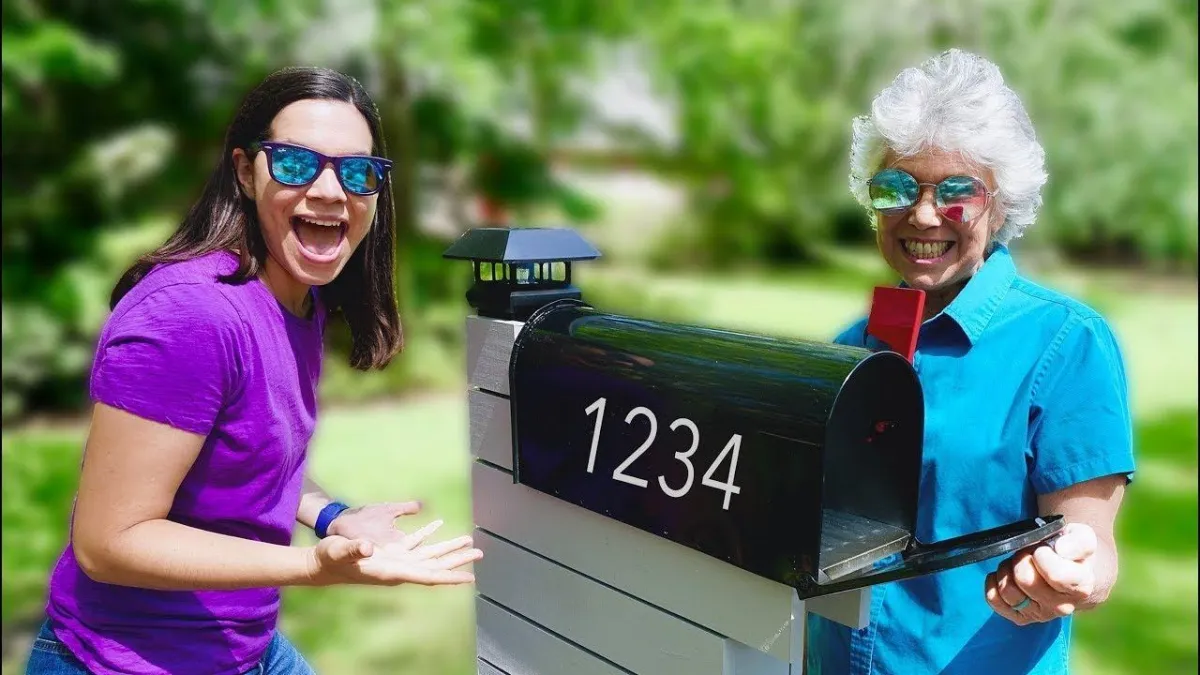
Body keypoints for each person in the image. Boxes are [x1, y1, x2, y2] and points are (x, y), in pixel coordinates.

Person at [25, 66, 483, 675]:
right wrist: (318, 566)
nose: (329, 190)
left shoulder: (297, 297)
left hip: (239, 646)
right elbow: (109, 543)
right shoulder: (192, 314)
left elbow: (253, 460)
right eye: (296, 163)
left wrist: (334, 518)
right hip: (127, 660)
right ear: (245, 171)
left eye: (358, 172)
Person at [806, 49, 1135, 674]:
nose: (924, 214)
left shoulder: (1065, 342)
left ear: (1001, 205)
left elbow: (1091, 555)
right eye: (897, 187)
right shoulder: (852, 347)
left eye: (958, 192)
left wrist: (1064, 570)